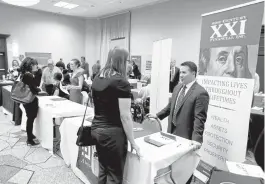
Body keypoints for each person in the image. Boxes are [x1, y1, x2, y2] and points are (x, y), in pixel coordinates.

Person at [91, 47, 141, 184]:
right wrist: (133, 142)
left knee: (103, 169)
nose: (129, 64)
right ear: (122, 61)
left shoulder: (98, 76)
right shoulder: (121, 82)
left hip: (97, 129)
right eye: (127, 61)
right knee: (114, 175)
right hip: (112, 134)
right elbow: (125, 116)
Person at [147, 61, 209, 144]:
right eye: (180, 72)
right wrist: (157, 116)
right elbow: (170, 106)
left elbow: (199, 119)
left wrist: (196, 140)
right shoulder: (177, 87)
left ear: (193, 73)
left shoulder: (200, 93)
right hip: (171, 132)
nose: (180, 75)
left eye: (184, 72)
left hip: (186, 136)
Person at [20, 57, 41, 146]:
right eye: (35, 64)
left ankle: (30, 135)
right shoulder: (28, 75)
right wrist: (39, 73)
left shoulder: (25, 74)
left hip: (26, 99)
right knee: (30, 118)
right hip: (29, 100)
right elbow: (36, 84)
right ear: (31, 65)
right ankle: (29, 139)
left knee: (30, 118)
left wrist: (36, 89)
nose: (37, 66)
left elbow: (32, 86)